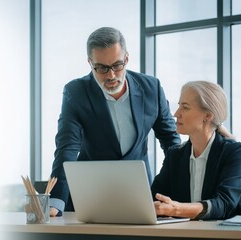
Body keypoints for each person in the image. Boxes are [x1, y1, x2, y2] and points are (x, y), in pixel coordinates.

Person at [49, 27, 181, 217]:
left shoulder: (151, 88)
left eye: (117, 65)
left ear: (127, 59)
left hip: (139, 193)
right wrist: (56, 201)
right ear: (90, 63)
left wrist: (177, 191)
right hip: (89, 194)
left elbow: (171, 142)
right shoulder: (76, 92)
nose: (111, 75)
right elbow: (67, 148)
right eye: (101, 68)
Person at [151, 81, 241, 220]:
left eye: (185, 107)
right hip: (189, 233)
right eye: (178, 106)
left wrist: (176, 209)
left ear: (207, 116)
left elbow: (224, 204)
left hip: (232, 234)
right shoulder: (175, 155)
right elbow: (154, 198)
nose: (176, 114)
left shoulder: (234, 152)